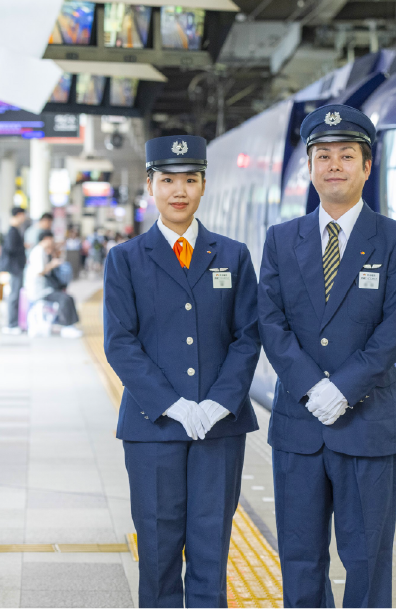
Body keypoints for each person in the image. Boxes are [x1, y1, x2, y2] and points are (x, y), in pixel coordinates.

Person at [258, 104, 396, 609]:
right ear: (309, 167)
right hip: (299, 427)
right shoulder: (282, 240)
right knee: (300, 557)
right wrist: (313, 388)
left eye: (346, 155)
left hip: (368, 423)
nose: (334, 165)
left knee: (367, 559)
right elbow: (270, 322)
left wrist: (343, 388)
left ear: (366, 167)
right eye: (323, 155)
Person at [103, 134, 261, 609]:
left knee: (212, 550)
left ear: (204, 186)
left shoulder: (233, 256)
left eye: (189, 180)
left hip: (220, 428)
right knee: (157, 551)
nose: (179, 190)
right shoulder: (126, 259)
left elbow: (248, 336)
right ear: (150, 186)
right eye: (167, 180)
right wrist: (172, 404)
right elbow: (119, 343)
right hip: (153, 429)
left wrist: (218, 402)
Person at [25, 230, 82, 338]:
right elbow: (39, 272)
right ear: (46, 239)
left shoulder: (42, 251)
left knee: (68, 297)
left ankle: (70, 325)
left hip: (45, 289)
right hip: (40, 291)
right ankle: (67, 326)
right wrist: (52, 264)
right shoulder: (38, 252)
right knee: (64, 299)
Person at [2, 207, 27, 334]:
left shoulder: (14, 230)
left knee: (15, 294)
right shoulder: (13, 231)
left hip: (16, 267)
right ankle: (11, 324)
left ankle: (14, 323)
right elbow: (11, 249)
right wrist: (22, 250)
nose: (24, 218)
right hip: (15, 268)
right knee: (14, 295)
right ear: (18, 215)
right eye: (23, 215)